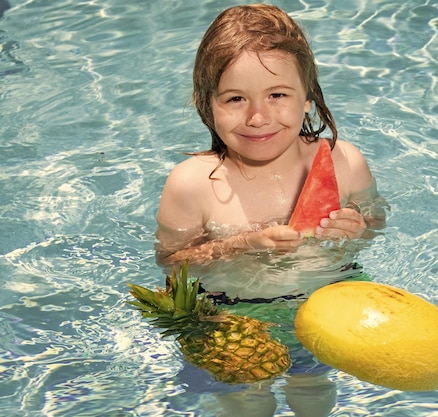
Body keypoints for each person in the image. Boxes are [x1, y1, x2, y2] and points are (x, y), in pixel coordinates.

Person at [153, 4, 386, 416]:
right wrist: (241, 245)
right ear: (208, 105)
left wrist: (358, 227)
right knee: (248, 403)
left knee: (313, 388)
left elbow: (376, 220)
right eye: (235, 98)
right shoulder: (191, 182)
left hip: (324, 307)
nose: (258, 117)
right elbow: (172, 262)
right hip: (233, 319)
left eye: (277, 95)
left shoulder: (343, 161)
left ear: (308, 99)